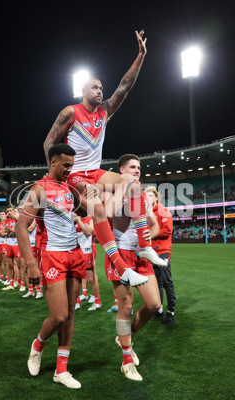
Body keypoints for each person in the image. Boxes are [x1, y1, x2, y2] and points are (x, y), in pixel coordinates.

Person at [42, 30, 166, 287]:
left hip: (96, 171)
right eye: (95, 87)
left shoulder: (104, 111)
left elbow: (125, 85)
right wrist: (55, 178)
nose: (100, 90)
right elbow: (49, 142)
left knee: (132, 183)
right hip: (76, 175)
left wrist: (141, 55)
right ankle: (121, 267)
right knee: (98, 207)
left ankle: (144, 246)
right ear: (83, 90)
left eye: (101, 87)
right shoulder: (70, 112)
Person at [17, 143, 85, 389]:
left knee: (70, 315)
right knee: (59, 315)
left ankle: (61, 370)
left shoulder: (68, 187)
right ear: (53, 162)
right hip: (52, 255)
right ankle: (38, 344)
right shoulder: (40, 188)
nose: (69, 170)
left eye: (72, 166)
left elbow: (87, 211)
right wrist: (31, 265)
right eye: (66, 165)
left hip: (75, 253)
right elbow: (20, 227)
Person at [104, 153, 162, 381]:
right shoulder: (110, 190)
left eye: (139, 167)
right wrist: (122, 187)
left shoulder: (142, 195)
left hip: (140, 254)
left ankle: (127, 335)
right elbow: (108, 213)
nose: (137, 170)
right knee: (126, 306)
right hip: (119, 252)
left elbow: (154, 224)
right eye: (132, 167)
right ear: (121, 170)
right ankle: (127, 361)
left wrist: (151, 234)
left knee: (154, 304)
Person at [144, 187, 176, 325]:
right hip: (151, 252)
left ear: (156, 198)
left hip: (163, 251)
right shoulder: (147, 213)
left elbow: (167, 231)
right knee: (157, 283)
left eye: (151, 195)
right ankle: (159, 309)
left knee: (167, 282)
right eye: (146, 196)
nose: (148, 198)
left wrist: (151, 234)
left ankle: (171, 312)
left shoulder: (163, 211)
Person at [73, 214, 102, 311]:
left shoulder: (90, 218)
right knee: (75, 276)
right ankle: (77, 302)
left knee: (90, 276)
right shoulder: (73, 217)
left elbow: (89, 232)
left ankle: (97, 301)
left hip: (87, 250)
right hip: (76, 250)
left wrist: (79, 221)